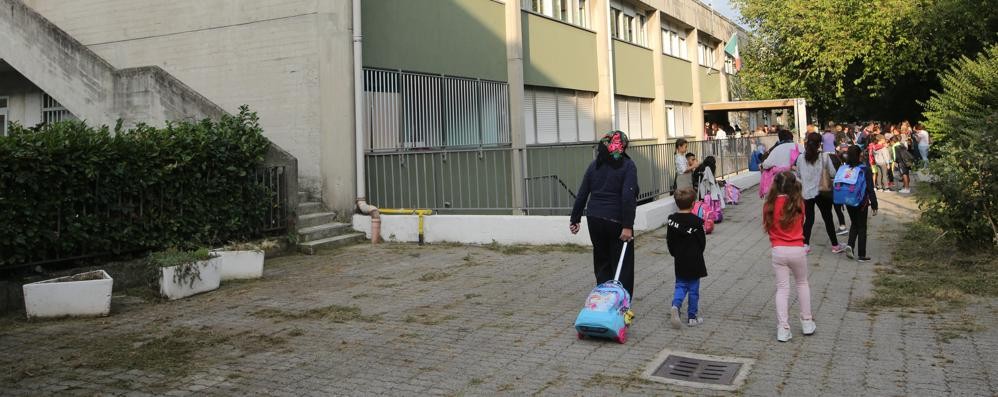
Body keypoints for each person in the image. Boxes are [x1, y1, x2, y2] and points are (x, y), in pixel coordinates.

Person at [570, 131, 639, 298]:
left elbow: (582, 193)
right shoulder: (628, 165)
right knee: (622, 264)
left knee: (602, 261)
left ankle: (602, 299)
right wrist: (628, 226)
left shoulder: (594, 165)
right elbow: (628, 196)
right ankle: (620, 302)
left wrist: (575, 219)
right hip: (616, 220)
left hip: (594, 219)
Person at [763, 171, 816, 342]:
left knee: (782, 289)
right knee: (802, 283)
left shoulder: (769, 205)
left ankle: (783, 328)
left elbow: (769, 227)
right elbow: (802, 223)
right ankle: (807, 322)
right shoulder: (799, 203)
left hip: (778, 250)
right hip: (797, 249)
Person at [667, 188, 708, 328]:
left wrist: (674, 253)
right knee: (693, 289)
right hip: (695, 259)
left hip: (679, 259)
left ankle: (676, 305)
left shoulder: (672, 220)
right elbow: (702, 242)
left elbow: (670, 240)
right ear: (693, 204)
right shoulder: (697, 222)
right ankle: (692, 317)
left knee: (680, 285)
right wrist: (699, 252)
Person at [796, 133, 843, 254]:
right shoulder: (824, 157)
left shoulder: (801, 158)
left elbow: (799, 174)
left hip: (806, 192)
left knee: (809, 219)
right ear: (819, 144)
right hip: (822, 192)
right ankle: (835, 245)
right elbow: (832, 173)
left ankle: (805, 245)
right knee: (828, 218)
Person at [838, 145, 878, 262]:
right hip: (862, 201)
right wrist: (874, 203)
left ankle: (850, 245)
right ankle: (862, 254)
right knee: (862, 227)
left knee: (854, 223)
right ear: (860, 154)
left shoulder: (845, 169)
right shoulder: (864, 169)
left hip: (848, 201)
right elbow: (870, 188)